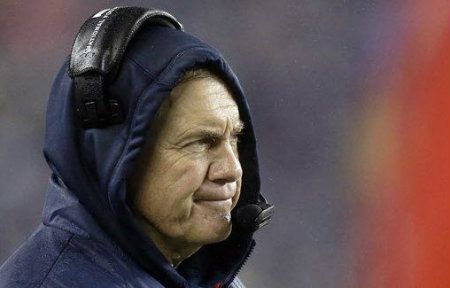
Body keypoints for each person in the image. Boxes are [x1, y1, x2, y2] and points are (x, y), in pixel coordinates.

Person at [0, 7, 272, 288]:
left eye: (235, 139)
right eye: (201, 142)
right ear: (114, 158)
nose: (232, 169)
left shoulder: (208, 277)